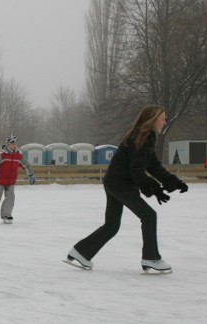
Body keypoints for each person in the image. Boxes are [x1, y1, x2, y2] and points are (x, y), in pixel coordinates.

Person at [65, 104, 189, 273]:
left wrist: (173, 182)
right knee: (149, 215)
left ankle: (81, 252)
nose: (165, 122)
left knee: (112, 226)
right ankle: (151, 258)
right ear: (152, 120)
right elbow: (136, 170)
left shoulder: (146, 136)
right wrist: (154, 188)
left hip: (116, 182)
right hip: (120, 184)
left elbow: (153, 165)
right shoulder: (140, 137)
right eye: (162, 119)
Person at [0, 134, 35, 225]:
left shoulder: (18, 156)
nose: (15, 145)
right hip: (0, 181)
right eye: (13, 143)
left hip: (11, 182)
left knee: (10, 197)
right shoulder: (2, 154)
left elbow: (26, 165)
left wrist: (31, 175)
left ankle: (6, 215)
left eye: (16, 143)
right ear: (8, 144)